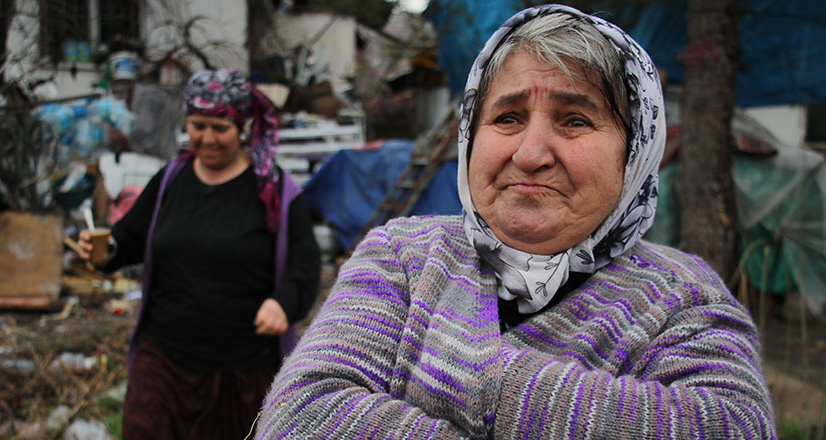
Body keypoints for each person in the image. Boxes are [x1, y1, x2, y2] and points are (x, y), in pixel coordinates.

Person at [256, 5, 775, 439]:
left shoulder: (685, 299)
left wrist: (457, 376)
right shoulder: (401, 257)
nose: (529, 154)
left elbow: (731, 425)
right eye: (507, 118)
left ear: (634, 153)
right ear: (470, 138)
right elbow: (300, 416)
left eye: (576, 119)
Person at [75, 68, 321, 439]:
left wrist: (284, 304)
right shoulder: (171, 180)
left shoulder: (274, 190)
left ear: (241, 127)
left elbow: (305, 265)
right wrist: (105, 249)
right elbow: (131, 236)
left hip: (242, 371)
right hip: (163, 362)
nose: (207, 138)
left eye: (220, 128)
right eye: (197, 125)